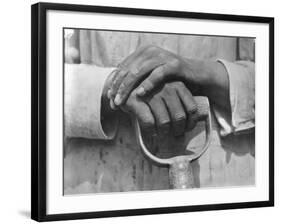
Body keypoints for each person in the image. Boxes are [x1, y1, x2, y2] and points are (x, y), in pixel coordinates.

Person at [64, 30, 255, 194]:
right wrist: (115, 85)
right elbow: (42, 75)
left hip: (220, 175)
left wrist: (198, 72)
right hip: (99, 181)